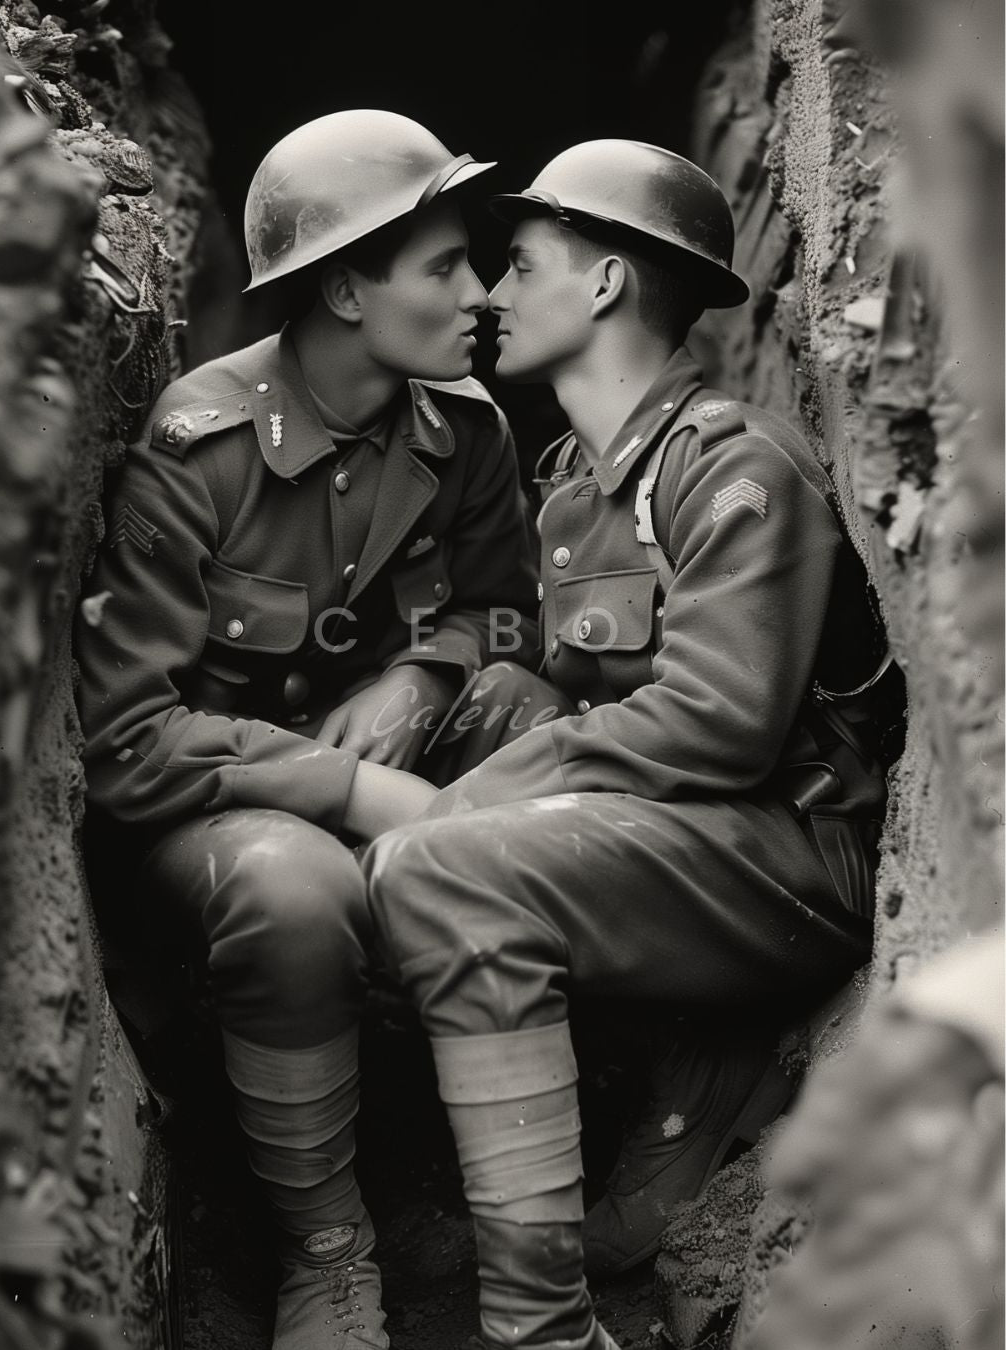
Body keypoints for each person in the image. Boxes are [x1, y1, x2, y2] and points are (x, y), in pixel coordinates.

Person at [364, 139, 888, 1350]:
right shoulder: (577, 484)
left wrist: (479, 803)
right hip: (693, 843)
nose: (489, 295)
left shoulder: (731, 467)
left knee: (440, 859)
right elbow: (556, 684)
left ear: (603, 286)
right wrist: (432, 688)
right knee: (491, 700)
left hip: (793, 857)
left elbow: (721, 719)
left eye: (522, 263)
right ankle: (635, 1087)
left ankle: (540, 1323)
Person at [76, 109, 540, 1349]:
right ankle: (325, 1245)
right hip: (215, 815)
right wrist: (341, 789)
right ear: (345, 287)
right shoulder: (202, 446)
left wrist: (430, 679)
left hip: (384, 755)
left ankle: (507, 1144)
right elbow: (125, 741)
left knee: (538, 727)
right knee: (293, 891)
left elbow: (507, 620)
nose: (481, 289)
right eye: (445, 264)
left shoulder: (465, 429)